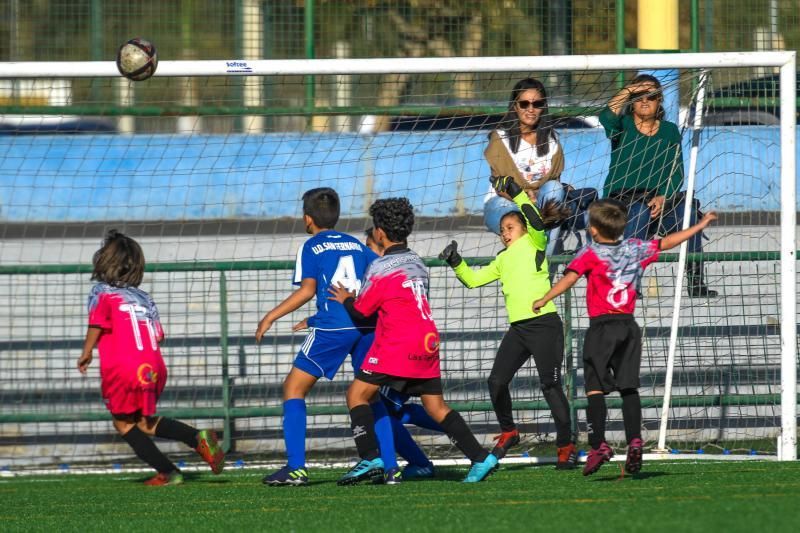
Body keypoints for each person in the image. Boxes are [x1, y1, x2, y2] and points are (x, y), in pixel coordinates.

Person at [531, 199, 718, 476]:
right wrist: (699, 225)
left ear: (593, 229)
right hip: (629, 327)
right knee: (628, 388)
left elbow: (569, 279)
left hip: (602, 327)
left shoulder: (590, 252)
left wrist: (545, 297)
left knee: (594, 388)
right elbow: (667, 242)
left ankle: (599, 445)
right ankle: (635, 441)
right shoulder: (635, 247)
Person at [329, 198, 498, 484]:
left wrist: (346, 299)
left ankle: (370, 456)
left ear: (379, 233)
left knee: (357, 395)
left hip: (398, 342)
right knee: (436, 407)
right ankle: (481, 457)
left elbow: (361, 311)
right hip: (427, 340)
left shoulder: (381, 267)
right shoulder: (417, 262)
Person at [255, 188, 399, 485]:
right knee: (369, 396)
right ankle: (391, 466)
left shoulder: (311, 246)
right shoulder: (358, 246)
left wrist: (271, 316)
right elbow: (380, 276)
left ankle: (296, 468)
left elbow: (307, 290)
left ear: (308, 219)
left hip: (333, 327)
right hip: (367, 326)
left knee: (293, 388)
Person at [440, 176, 576, 469]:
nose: (505, 233)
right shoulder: (503, 258)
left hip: (544, 325)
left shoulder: (535, 242)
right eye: (502, 230)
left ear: (524, 230)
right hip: (519, 329)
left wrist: (517, 193)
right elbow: (474, 281)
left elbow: (536, 222)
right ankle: (509, 431)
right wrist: (455, 261)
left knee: (550, 385)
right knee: (496, 381)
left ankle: (566, 444)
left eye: (510, 228)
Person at [77, 229, 224, 486]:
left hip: (123, 367)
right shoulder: (145, 297)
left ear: (103, 261)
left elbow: (97, 323)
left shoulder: (101, 292)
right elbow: (158, 336)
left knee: (124, 425)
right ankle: (196, 438)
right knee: (144, 423)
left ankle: (169, 472)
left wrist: (87, 351)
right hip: (153, 366)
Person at [600, 73, 716, 298]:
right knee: (639, 212)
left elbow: (676, 172)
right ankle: (629, 283)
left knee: (689, 213)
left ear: (660, 100)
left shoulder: (669, 131)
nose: (645, 100)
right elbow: (606, 116)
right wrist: (630, 90)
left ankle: (695, 282)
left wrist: (664, 196)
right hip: (624, 200)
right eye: (640, 96)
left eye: (651, 96)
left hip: (659, 199)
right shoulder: (622, 126)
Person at [483, 77, 567, 256]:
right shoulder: (500, 138)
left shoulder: (552, 140)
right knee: (524, 222)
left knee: (555, 190)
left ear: (543, 107)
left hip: (539, 206)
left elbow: (554, 184)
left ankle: (545, 265)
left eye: (536, 104)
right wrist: (525, 199)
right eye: (524, 104)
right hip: (505, 204)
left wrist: (536, 200)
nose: (530, 109)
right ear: (515, 106)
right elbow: (501, 187)